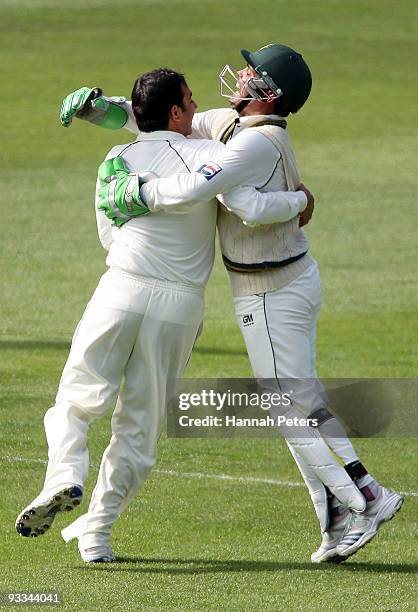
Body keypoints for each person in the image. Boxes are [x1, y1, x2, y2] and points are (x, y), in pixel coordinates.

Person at [59, 44, 403, 562]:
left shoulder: (256, 145)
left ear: (269, 92)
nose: (239, 75)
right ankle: (336, 519)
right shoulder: (231, 124)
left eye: (251, 72)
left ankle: (367, 495)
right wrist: (98, 110)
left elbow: (227, 196)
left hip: (271, 292)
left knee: (290, 409)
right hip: (280, 284)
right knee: (297, 403)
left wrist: (137, 193)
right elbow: (157, 121)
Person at [16, 68, 320, 564]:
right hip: (179, 306)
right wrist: (299, 201)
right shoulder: (212, 156)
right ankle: (97, 536)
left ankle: (64, 477)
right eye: (191, 100)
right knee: (138, 426)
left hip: (121, 287)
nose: (198, 107)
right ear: (176, 111)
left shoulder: (114, 161)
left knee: (74, 402)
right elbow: (247, 206)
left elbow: (107, 234)